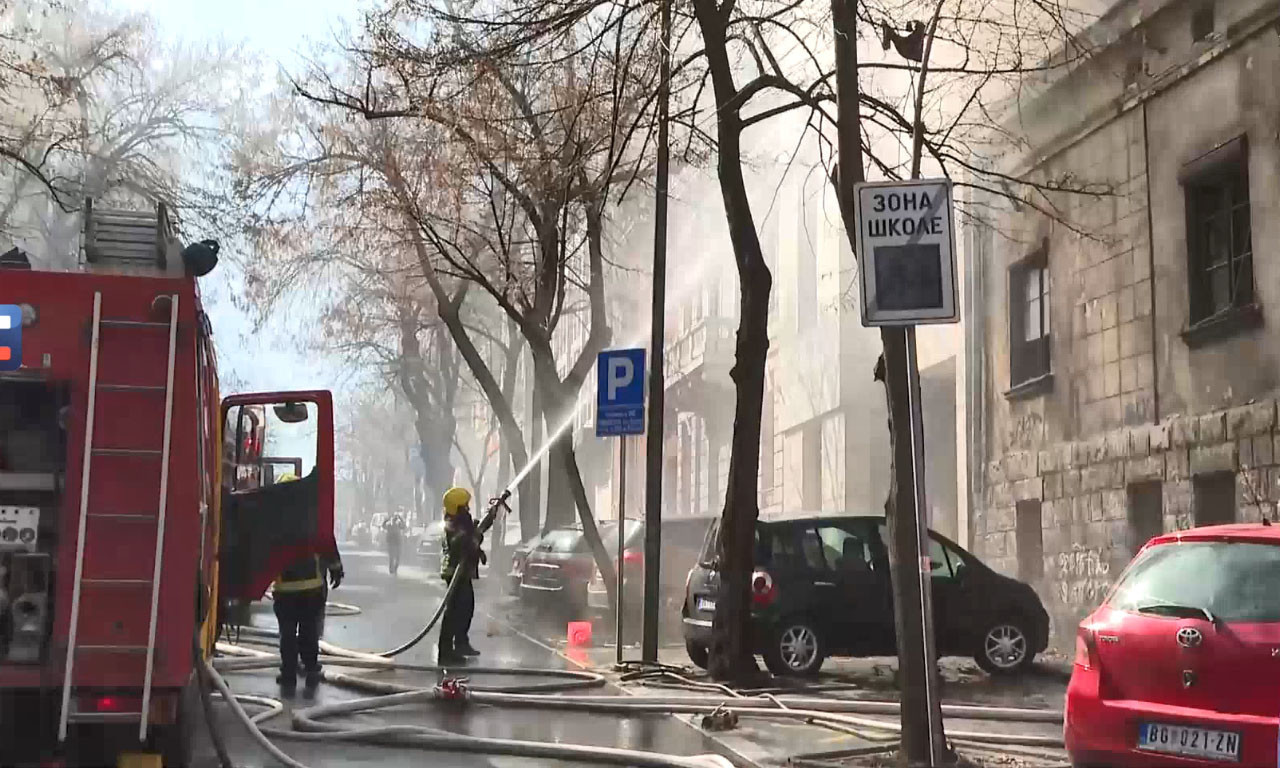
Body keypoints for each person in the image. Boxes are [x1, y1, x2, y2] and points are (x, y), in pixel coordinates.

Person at [271, 472, 344, 697]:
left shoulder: (272, 520)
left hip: (285, 590)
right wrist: (336, 568)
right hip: (312, 587)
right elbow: (327, 542)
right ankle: (311, 669)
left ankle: (289, 673)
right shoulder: (312, 517)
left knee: (287, 633)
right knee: (309, 632)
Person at [438, 486, 486, 665]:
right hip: (455, 573)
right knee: (453, 613)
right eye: (465, 506)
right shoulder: (453, 524)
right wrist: (475, 535)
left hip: (462, 572)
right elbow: (463, 544)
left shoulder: (458, 522)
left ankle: (460, 643)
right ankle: (446, 653)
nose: (468, 509)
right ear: (457, 507)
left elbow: (470, 542)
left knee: (466, 608)